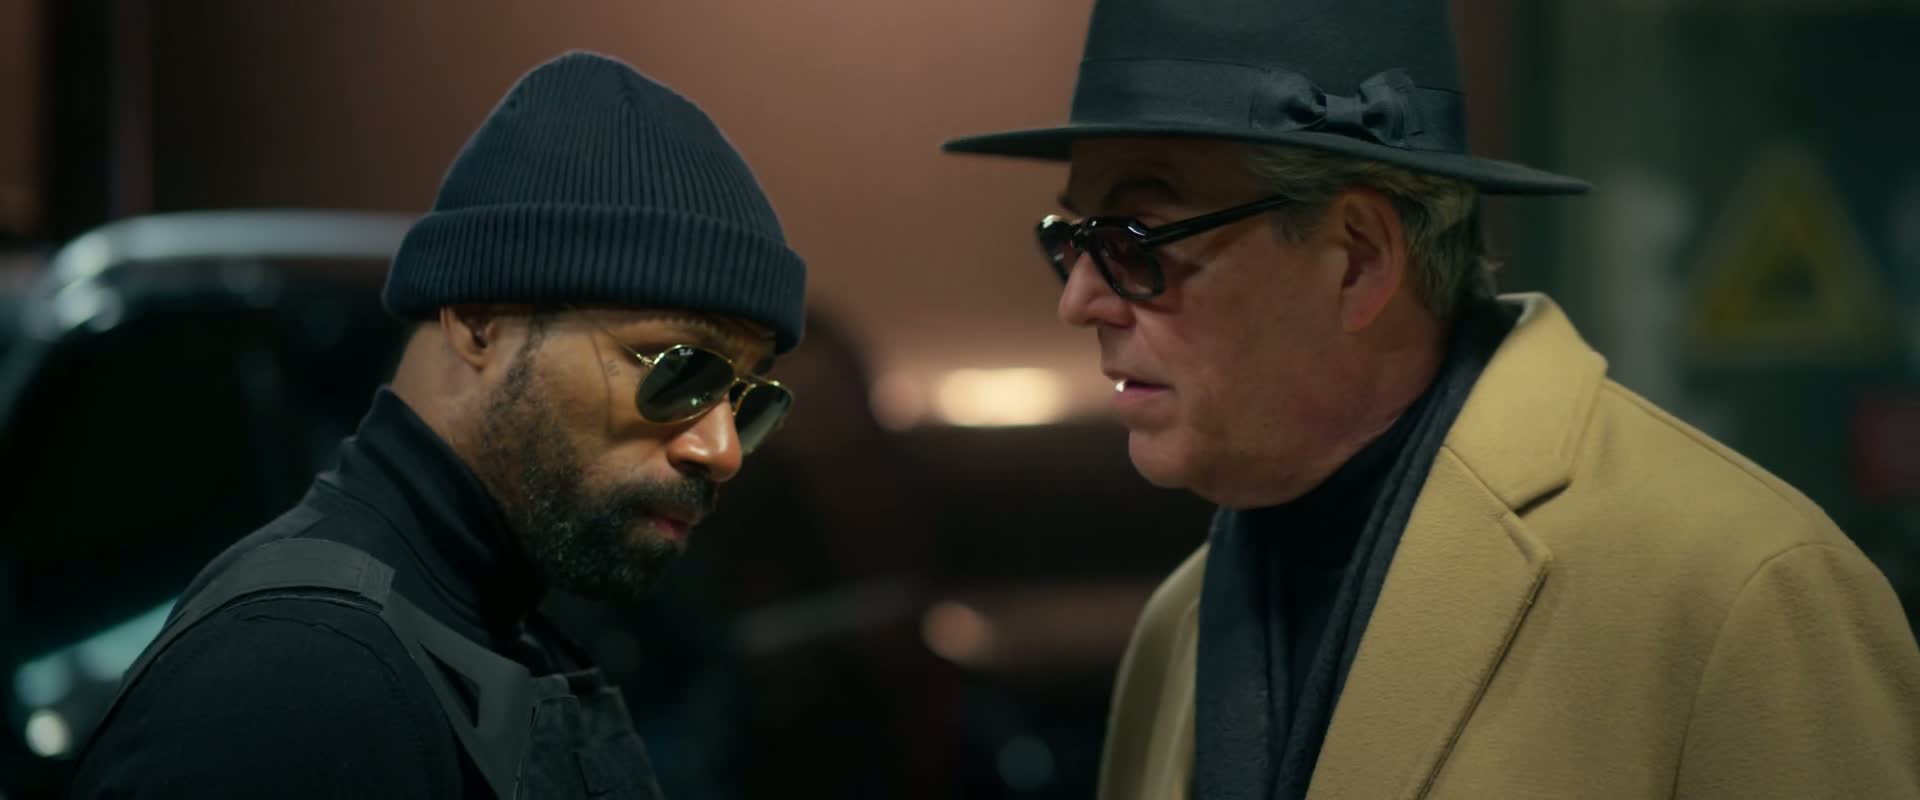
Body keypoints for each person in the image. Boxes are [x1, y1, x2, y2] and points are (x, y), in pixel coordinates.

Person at [941, 0, 1920, 797]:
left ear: (1358, 258)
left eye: (1134, 241)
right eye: (1072, 239)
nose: (1078, 299)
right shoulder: (1179, 621)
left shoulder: (1740, 590)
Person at [71, 50, 806, 798]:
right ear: (480, 319)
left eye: (751, 400)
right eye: (679, 367)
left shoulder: (475, 633)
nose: (722, 449)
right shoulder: (293, 687)